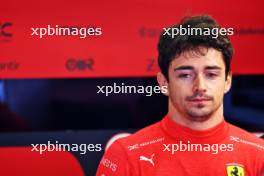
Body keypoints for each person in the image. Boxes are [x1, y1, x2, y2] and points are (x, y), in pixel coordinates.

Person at [96, 15, 264, 176]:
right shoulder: (126, 155)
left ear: (227, 81)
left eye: (211, 74)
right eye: (185, 75)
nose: (200, 87)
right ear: (163, 83)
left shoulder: (259, 155)